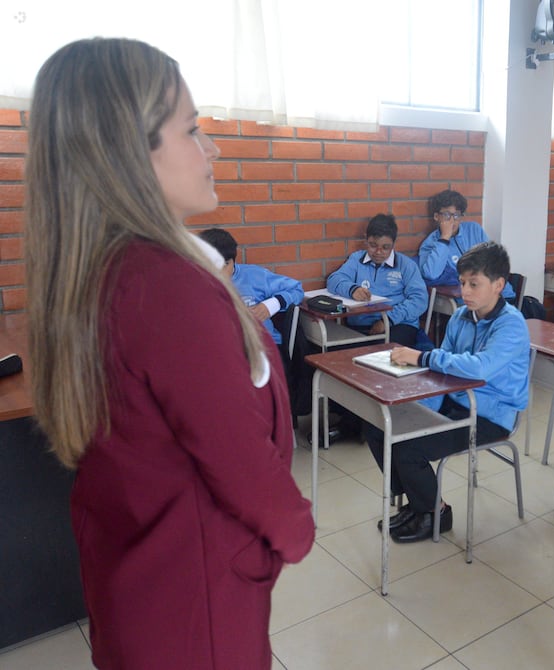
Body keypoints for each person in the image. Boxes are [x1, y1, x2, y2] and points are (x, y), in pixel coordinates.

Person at [24, 39, 314, 670]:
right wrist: (291, 532)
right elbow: (240, 462)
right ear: (128, 153)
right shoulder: (167, 287)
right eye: (192, 130)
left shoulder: (101, 270)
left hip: (143, 587)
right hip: (194, 606)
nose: (211, 150)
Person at [366, 242, 530, 543]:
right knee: (380, 425)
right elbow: (444, 368)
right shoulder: (461, 316)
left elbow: (479, 368)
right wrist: (417, 405)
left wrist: (421, 357)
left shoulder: (512, 326)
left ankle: (436, 512)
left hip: (490, 415)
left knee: (409, 447)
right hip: (454, 401)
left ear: (499, 285)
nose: (465, 291)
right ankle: (418, 504)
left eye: (474, 284)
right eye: (462, 283)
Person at [326, 213, 428, 347]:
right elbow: (334, 280)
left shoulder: (406, 265)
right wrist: (352, 289)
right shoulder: (357, 259)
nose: (378, 252)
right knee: (340, 353)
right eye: (373, 245)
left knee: (382, 354)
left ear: (393, 244)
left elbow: (420, 299)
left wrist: (388, 320)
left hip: (398, 325)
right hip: (361, 326)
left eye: (385, 247)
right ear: (366, 240)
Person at [198, 227, 303, 345]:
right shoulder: (194, 283)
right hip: (224, 348)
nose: (220, 271)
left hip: (265, 347)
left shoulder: (255, 275)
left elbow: (296, 289)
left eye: (226, 264)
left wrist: (272, 305)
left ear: (233, 260)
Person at [417, 188, 515, 300]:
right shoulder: (430, 244)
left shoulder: (474, 229)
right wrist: (444, 238)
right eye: (447, 215)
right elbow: (431, 274)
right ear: (436, 217)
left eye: (457, 215)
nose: (452, 221)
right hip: (466, 301)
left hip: (500, 294)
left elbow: (493, 261)